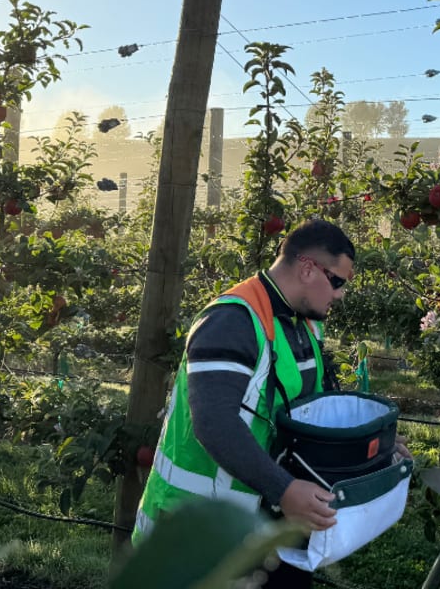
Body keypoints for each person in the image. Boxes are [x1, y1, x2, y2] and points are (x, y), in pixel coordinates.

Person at [133, 219, 361, 588]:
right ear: (307, 268)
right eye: (338, 282)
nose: (339, 296)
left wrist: (372, 445)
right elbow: (215, 423)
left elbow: (309, 410)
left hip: (261, 527)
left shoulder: (301, 325)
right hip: (197, 531)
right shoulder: (230, 322)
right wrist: (284, 490)